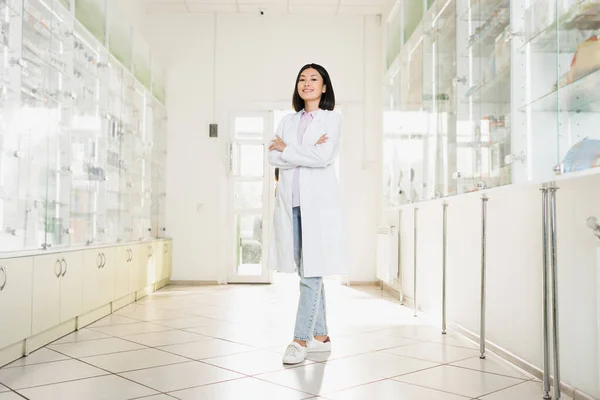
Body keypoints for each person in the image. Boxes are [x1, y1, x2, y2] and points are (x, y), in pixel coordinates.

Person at [267, 63, 347, 365]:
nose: (307, 83)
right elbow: (273, 156)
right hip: (292, 204)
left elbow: (324, 157)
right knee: (307, 270)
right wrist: (301, 151)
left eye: (314, 79)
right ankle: (322, 337)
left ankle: (300, 340)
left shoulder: (332, 119)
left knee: (311, 274)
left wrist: (289, 149)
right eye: (302, 79)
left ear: (324, 87)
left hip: (319, 207)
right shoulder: (288, 120)